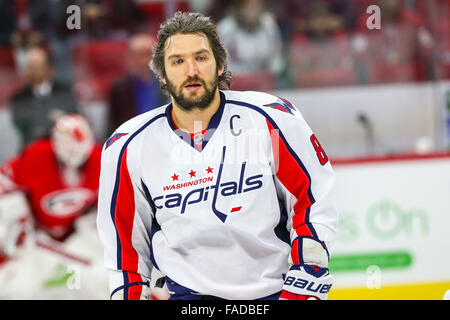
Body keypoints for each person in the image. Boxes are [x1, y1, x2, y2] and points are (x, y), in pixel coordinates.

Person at [97, 12, 338, 300]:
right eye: (177, 61)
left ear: (220, 64)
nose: (191, 71)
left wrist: (306, 280)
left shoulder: (271, 119)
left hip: (275, 292)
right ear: (161, 73)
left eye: (201, 58)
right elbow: (125, 251)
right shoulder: (127, 146)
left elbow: (311, 200)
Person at [0, 114, 102, 241]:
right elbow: (3, 180)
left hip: (77, 238)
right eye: (70, 148)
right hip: (35, 236)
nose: (75, 152)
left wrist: (95, 218)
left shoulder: (101, 159)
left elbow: (116, 199)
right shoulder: (36, 157)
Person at [11, 46, 79, 148]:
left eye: (37, 66)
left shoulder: (65, 92)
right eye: (30, 67)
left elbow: (74, 118)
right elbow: (22, 124)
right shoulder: (19, 98)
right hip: (32, 150)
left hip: (61, 149)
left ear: (48, 68)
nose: (33, 71)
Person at [108, 33, 167, 133]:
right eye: (139, 55)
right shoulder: (120, 88)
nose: (145, 61)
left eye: (148, 54)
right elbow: (113, 124)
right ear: (130, 57)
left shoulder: (168, 83)